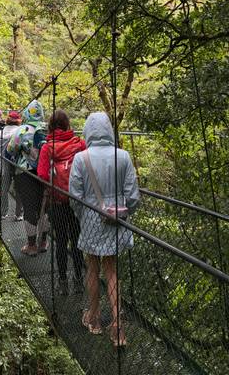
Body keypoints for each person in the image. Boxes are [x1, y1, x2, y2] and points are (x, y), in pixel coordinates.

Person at [69, 112, 140, 347]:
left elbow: (75, 197)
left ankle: (95, 319)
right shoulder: (124, 156)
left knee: (92, 267)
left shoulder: (81, 158)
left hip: (91, 219)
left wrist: (85, 216)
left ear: (89, 130)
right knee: (111, 270)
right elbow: (133, 197)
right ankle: (118, 326)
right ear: (109, 129)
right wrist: (122, 213)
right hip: (116, 220)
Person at [37, 109, 86, 295]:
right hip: (77, 202)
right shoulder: (80, 145)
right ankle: (79, 280)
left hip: (57, 202)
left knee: (61, 241)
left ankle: (63, 281)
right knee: (77, 241)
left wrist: (52, 186)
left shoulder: (47, 147)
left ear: (50, 126)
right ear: (67, 125)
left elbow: (42, 174)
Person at [7, 100, 48, 256]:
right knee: (44, 208)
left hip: (25, 173)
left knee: (30, 208)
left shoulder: (22, 129)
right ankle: (43, 242)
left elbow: (11, 149)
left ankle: (31, 246)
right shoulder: (47, 129)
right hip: (45, 174)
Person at [0, 110, 24, 220]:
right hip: (16, 163)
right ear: (18, 121)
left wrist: (3, 153)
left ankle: (3, 213)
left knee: (3, 189)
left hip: (3, 162)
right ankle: (19, 214)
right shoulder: (20, 131)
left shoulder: (2, 131)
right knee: (19, 189)